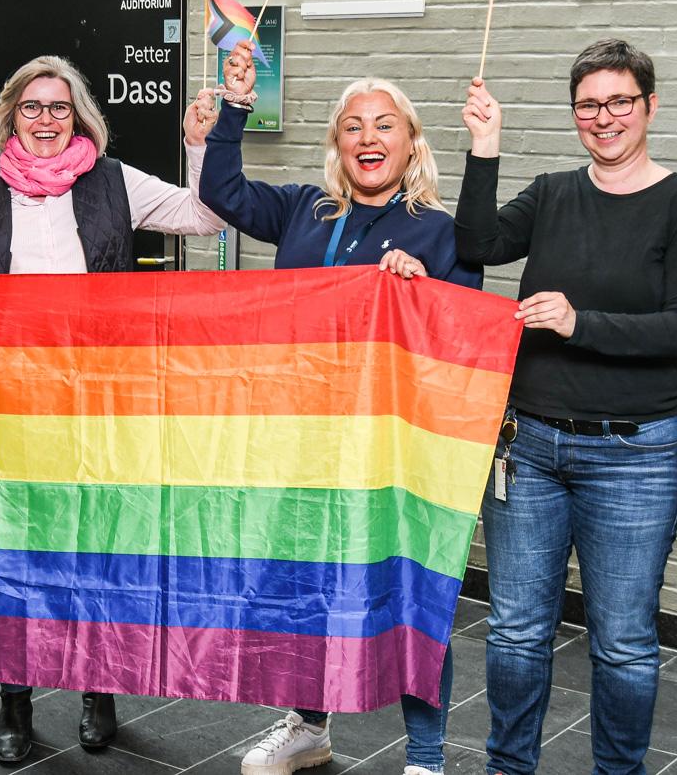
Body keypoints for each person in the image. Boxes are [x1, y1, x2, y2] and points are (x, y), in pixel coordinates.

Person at [200, 40, 482, 775]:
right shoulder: (305, 208)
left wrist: (421, 288)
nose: (368, 138)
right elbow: (222, 192)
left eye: (384, 124)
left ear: (411, 141)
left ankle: (425, 755)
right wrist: (235, 107)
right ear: (337, 144)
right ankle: (309, 725)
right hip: (301, 436)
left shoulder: (438, 230)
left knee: (411, 594)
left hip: (392, 451)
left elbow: (463, 338)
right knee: (304, 583)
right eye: (352, 126)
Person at [0, 54, 225, 764]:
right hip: (13, 407)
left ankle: (99, 690)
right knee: (16, 554)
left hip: (101, 403)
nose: (46, 119)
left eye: (59, 107)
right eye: (32, 106)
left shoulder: (114, 181)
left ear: (79, 117)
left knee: (99, 549)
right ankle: (15, 699)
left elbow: (203, 215)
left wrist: (200, 145)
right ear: (10, 116)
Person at [454, 39, 677, 775]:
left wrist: (579, 323)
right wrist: (485, 146)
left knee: (624, 641)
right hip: (530, 449)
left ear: (649, 106)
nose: (604, 118)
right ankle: (508, 768)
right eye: (588, 106)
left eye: (619, 102)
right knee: (514, 632)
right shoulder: (551, 193)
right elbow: (476, 243)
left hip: (636, 456)